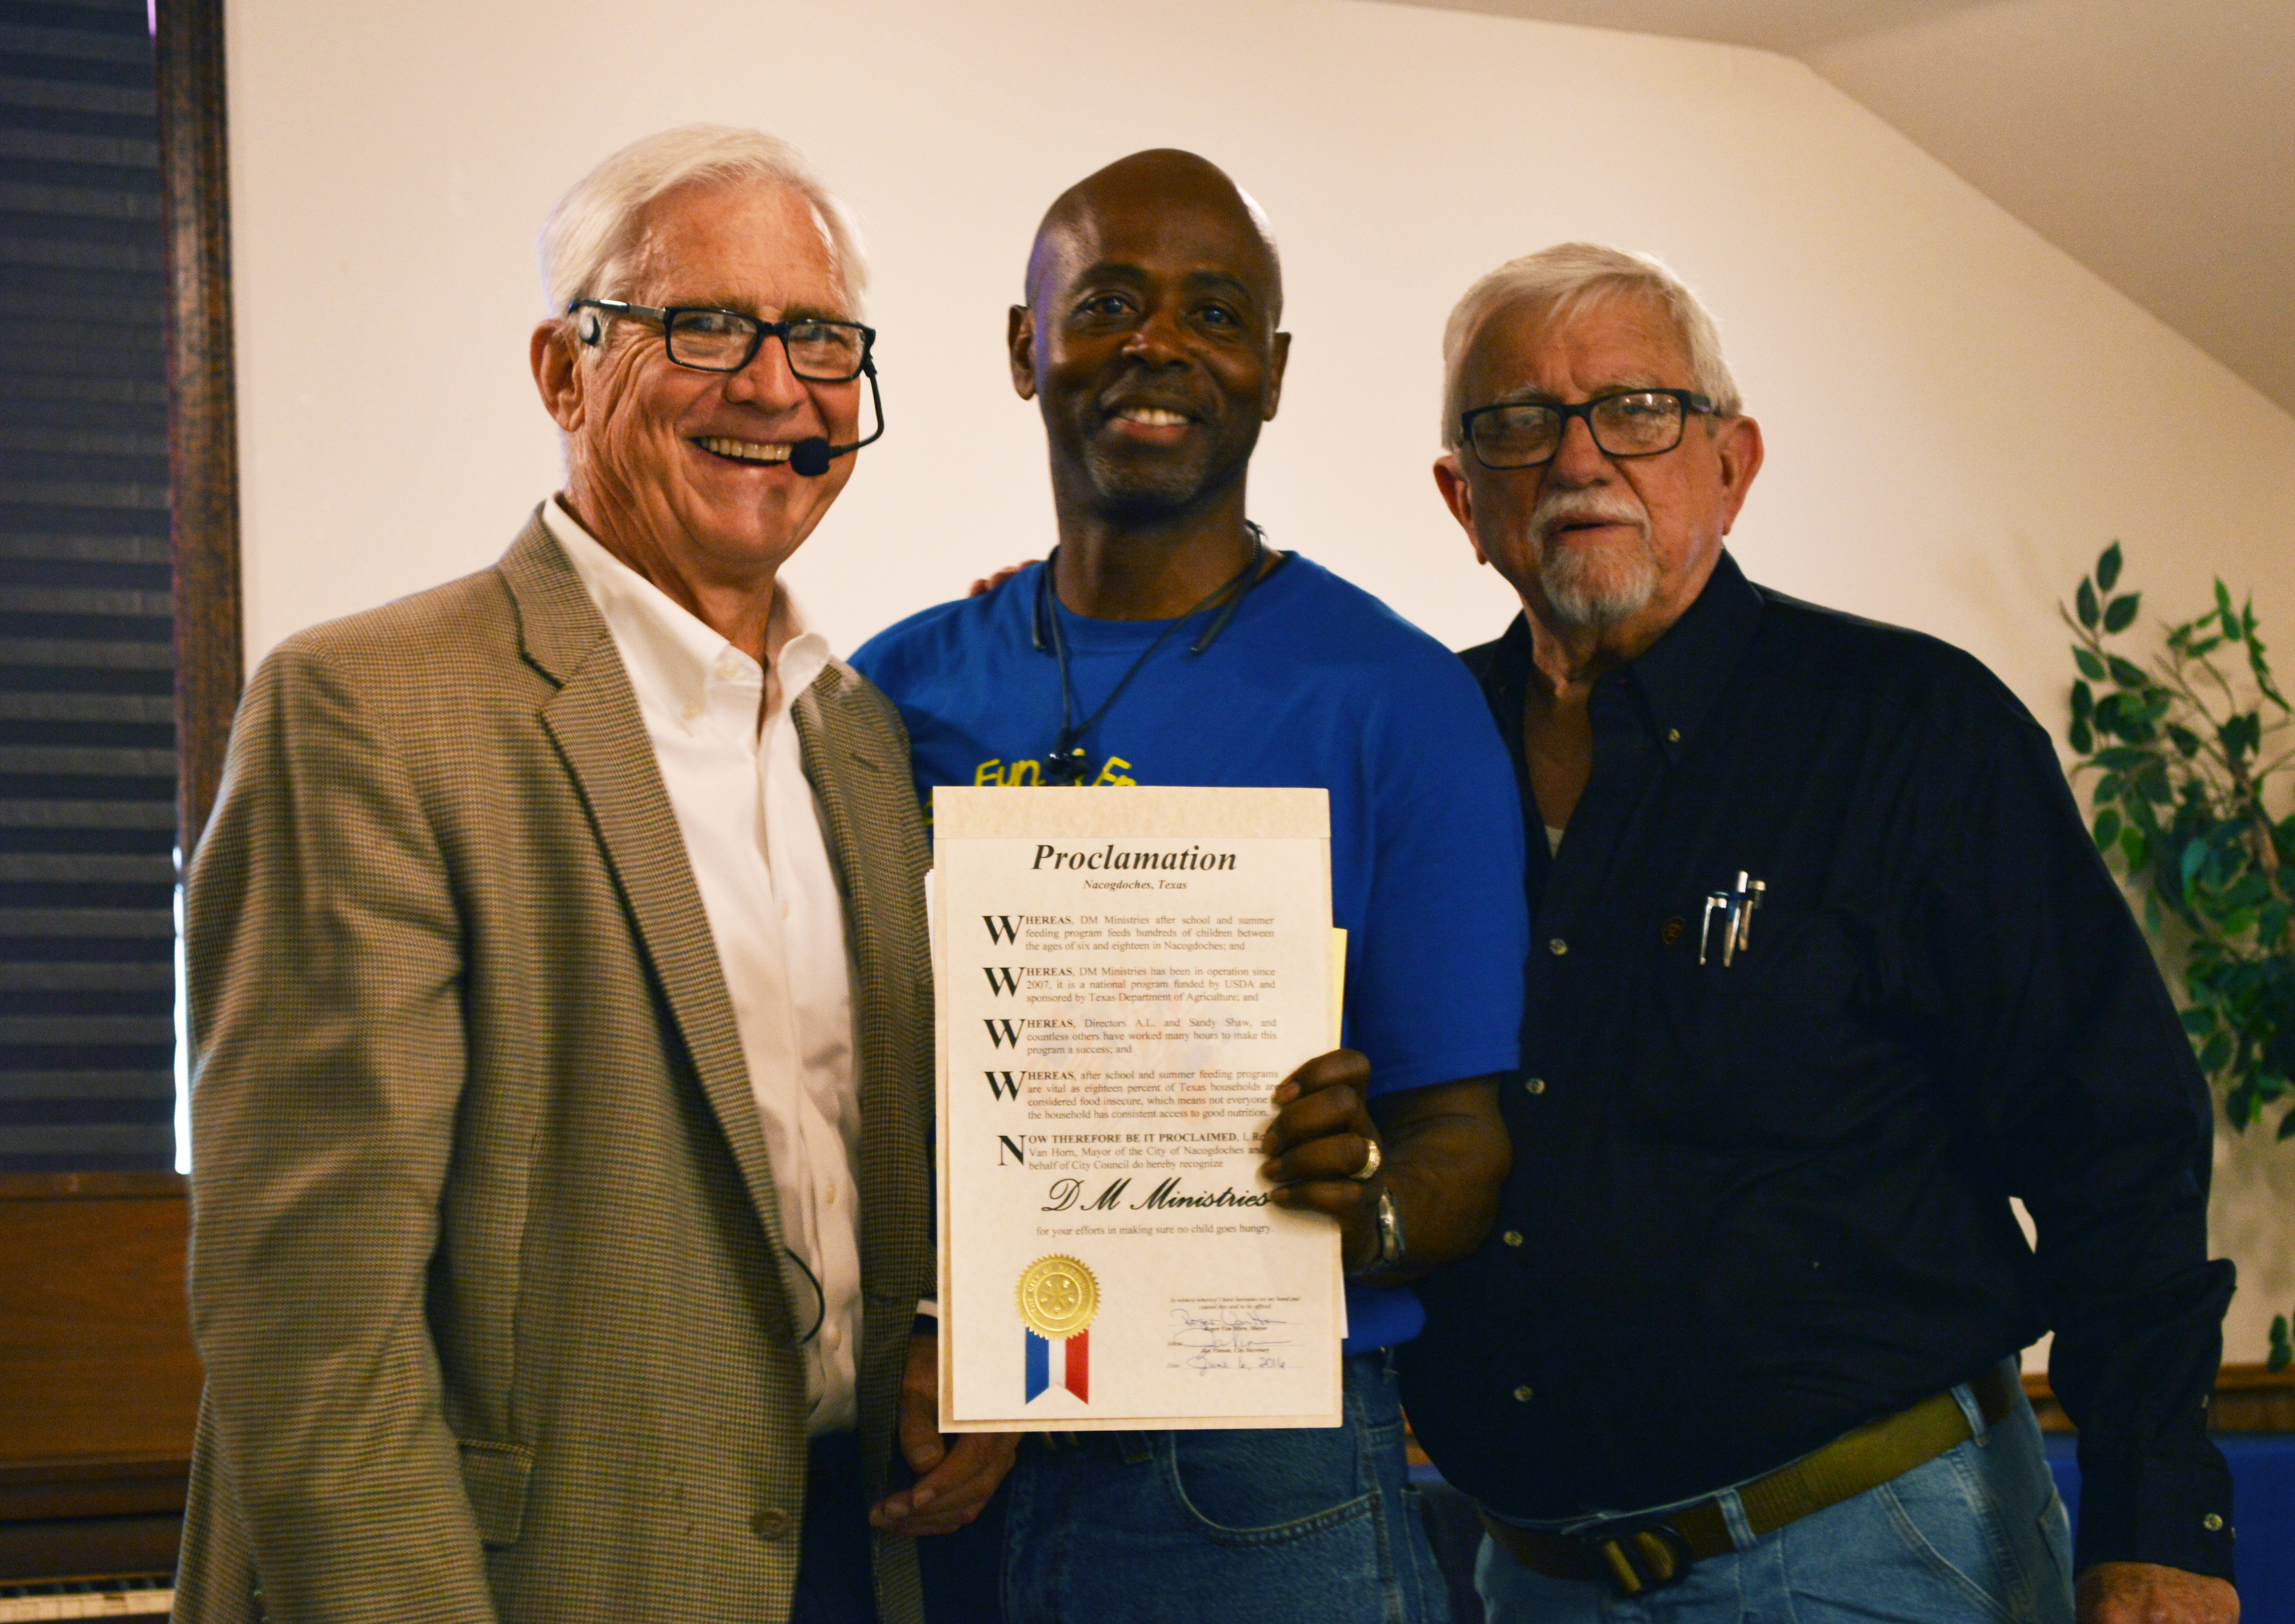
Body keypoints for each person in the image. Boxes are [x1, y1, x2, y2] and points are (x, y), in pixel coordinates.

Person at [174, 126, 1011, 1624]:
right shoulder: (368, 711)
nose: (773, 386)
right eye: (706, 326)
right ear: (566, 374)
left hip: (851, 1560)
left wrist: (956, 1329)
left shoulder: (868, 744)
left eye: (818, 336)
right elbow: (312, 1328)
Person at [1401, 242, 2241, 1624]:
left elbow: (2118, 1137)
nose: (1578, 457)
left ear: (1730, 466)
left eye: (1636, 409)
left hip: (1867, 1560)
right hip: (1523, 1574)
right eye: (1517, 423)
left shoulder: (1912, 730)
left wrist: (2159, 1518)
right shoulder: (1414, 747)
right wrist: (1067, 625)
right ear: (1461, 497)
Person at [849, 150, 1528, 1624]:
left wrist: (1366, 1211)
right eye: (1106, 303)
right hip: (943, 1443)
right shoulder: (886, 695)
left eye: (1212, 313)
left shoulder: (1395, 702)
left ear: (1271, 374)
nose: (1157, 345)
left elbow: (1463, 1138)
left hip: (1257, 1468)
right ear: (1025, 347)